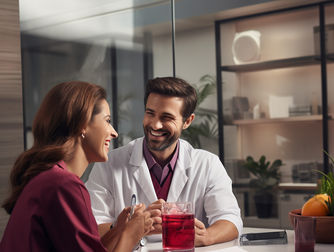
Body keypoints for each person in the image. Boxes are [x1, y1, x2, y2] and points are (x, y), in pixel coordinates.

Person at [86, 77, 243, 247]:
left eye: (166, 117)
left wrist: (207, 237)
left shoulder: (207, 164)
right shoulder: (109, 164)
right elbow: (93, 226)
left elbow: (230, 219)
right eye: (150, 113)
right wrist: (133, 227)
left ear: (187, 121)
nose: (155, 125)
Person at [0, 81, 153, 251]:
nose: (114, 132)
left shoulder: (49, 179)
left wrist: (119, 230)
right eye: (107, 121)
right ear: (82, 124)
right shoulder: (64, 185)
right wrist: (131, 234)